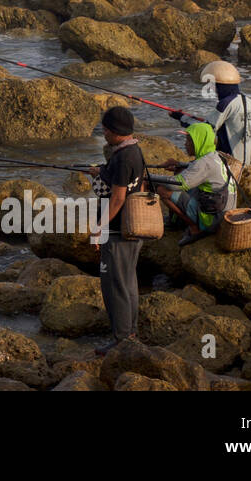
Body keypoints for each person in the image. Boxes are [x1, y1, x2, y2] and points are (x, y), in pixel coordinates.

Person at [87, 106, 146, 355]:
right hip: (134, 227)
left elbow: (118, 199)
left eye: (106, 129)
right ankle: (130, 334)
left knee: (115, 285)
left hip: (118, 230)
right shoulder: (135, 150)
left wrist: (99, 229)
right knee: (128, 283)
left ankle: (122, 340)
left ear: (114, 131)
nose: (104, 134)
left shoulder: (123, 158)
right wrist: (101, 172)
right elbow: (137, 184)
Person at [154, 122, 238, 246]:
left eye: (188, 141)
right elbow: (193, 168)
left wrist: (148, 176)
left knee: (162, 190)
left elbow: (176, 184)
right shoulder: (215, 156)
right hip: (223, 214)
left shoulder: (204, 163)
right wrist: (179, 164)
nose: (185, 144)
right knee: (181, 172)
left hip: (212, 220)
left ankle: (195, 228)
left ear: (198, 142)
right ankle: (176, 220)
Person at [170, 61, 251, 165]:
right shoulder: (249, 101)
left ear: (220, 86)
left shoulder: (226, 103)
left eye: (214, 86)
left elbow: (205, 130)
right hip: (245, 164)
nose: (215, 91)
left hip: (230, 165)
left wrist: (180, 117)